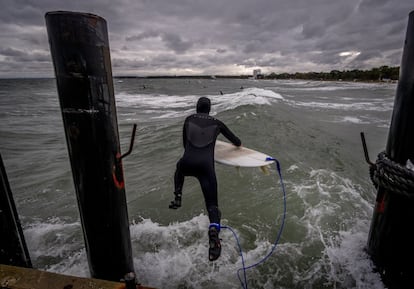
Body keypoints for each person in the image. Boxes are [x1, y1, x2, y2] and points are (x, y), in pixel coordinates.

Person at [169, 97, 241, 261]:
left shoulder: (188, 119)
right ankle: (214, 233)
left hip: (188, 162)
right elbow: (237, 142)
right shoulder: (218, 123)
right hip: (206, 167)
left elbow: (185, 144)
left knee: (180, 167)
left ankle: (178, 196)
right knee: (213, 207)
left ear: (196, 108)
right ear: (210, 109)